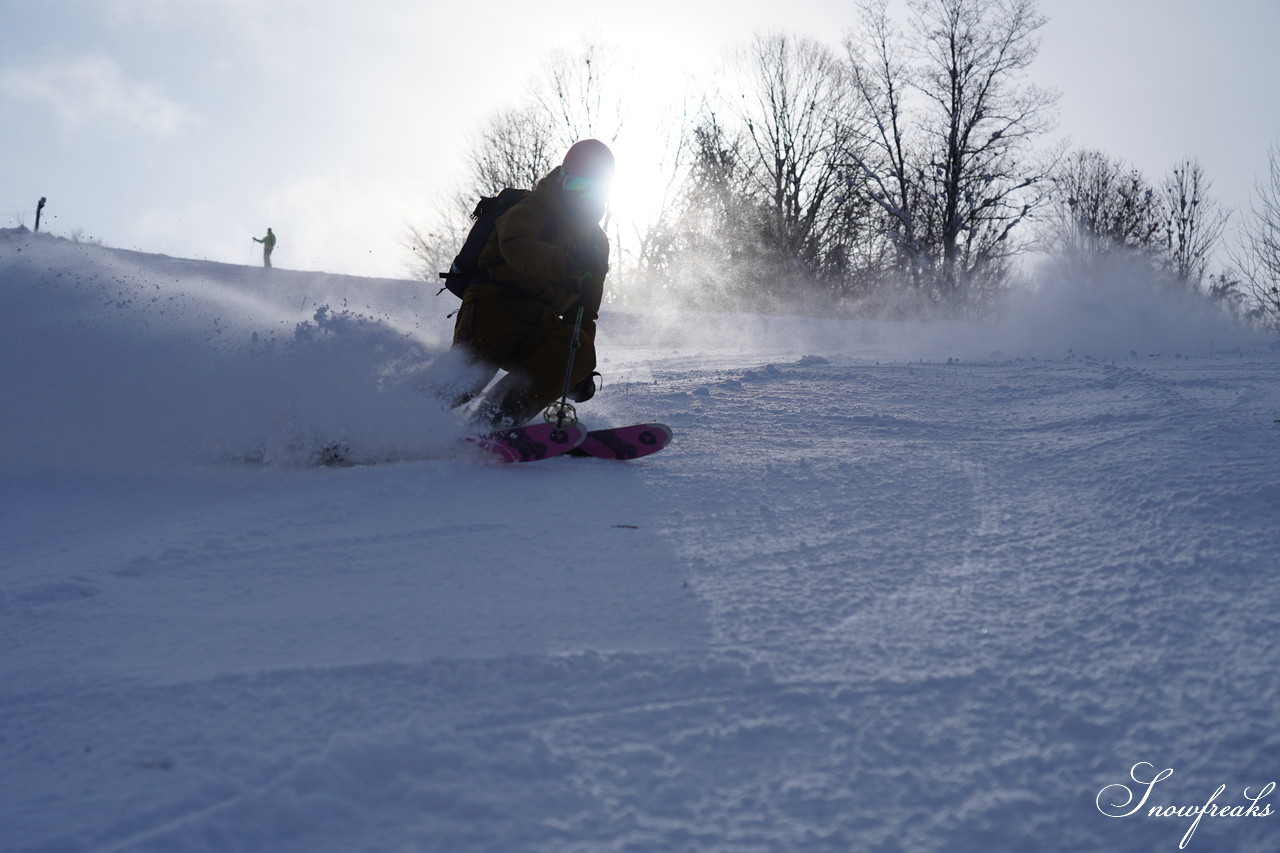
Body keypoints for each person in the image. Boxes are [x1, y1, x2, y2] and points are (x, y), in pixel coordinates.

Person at [450, 139, 614, 428]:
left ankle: (495, 420)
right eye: (576, 185)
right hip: (493, 309)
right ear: (562, 178)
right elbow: (516, 246)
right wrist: (567, 260)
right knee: (464, 382)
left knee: (578, 350)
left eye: (593, 189)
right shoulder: (533, 208)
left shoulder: (596, 241)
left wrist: (577, 371)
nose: (582, 196)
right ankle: (380, 422)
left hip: (539, 323)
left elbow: (584, 312)